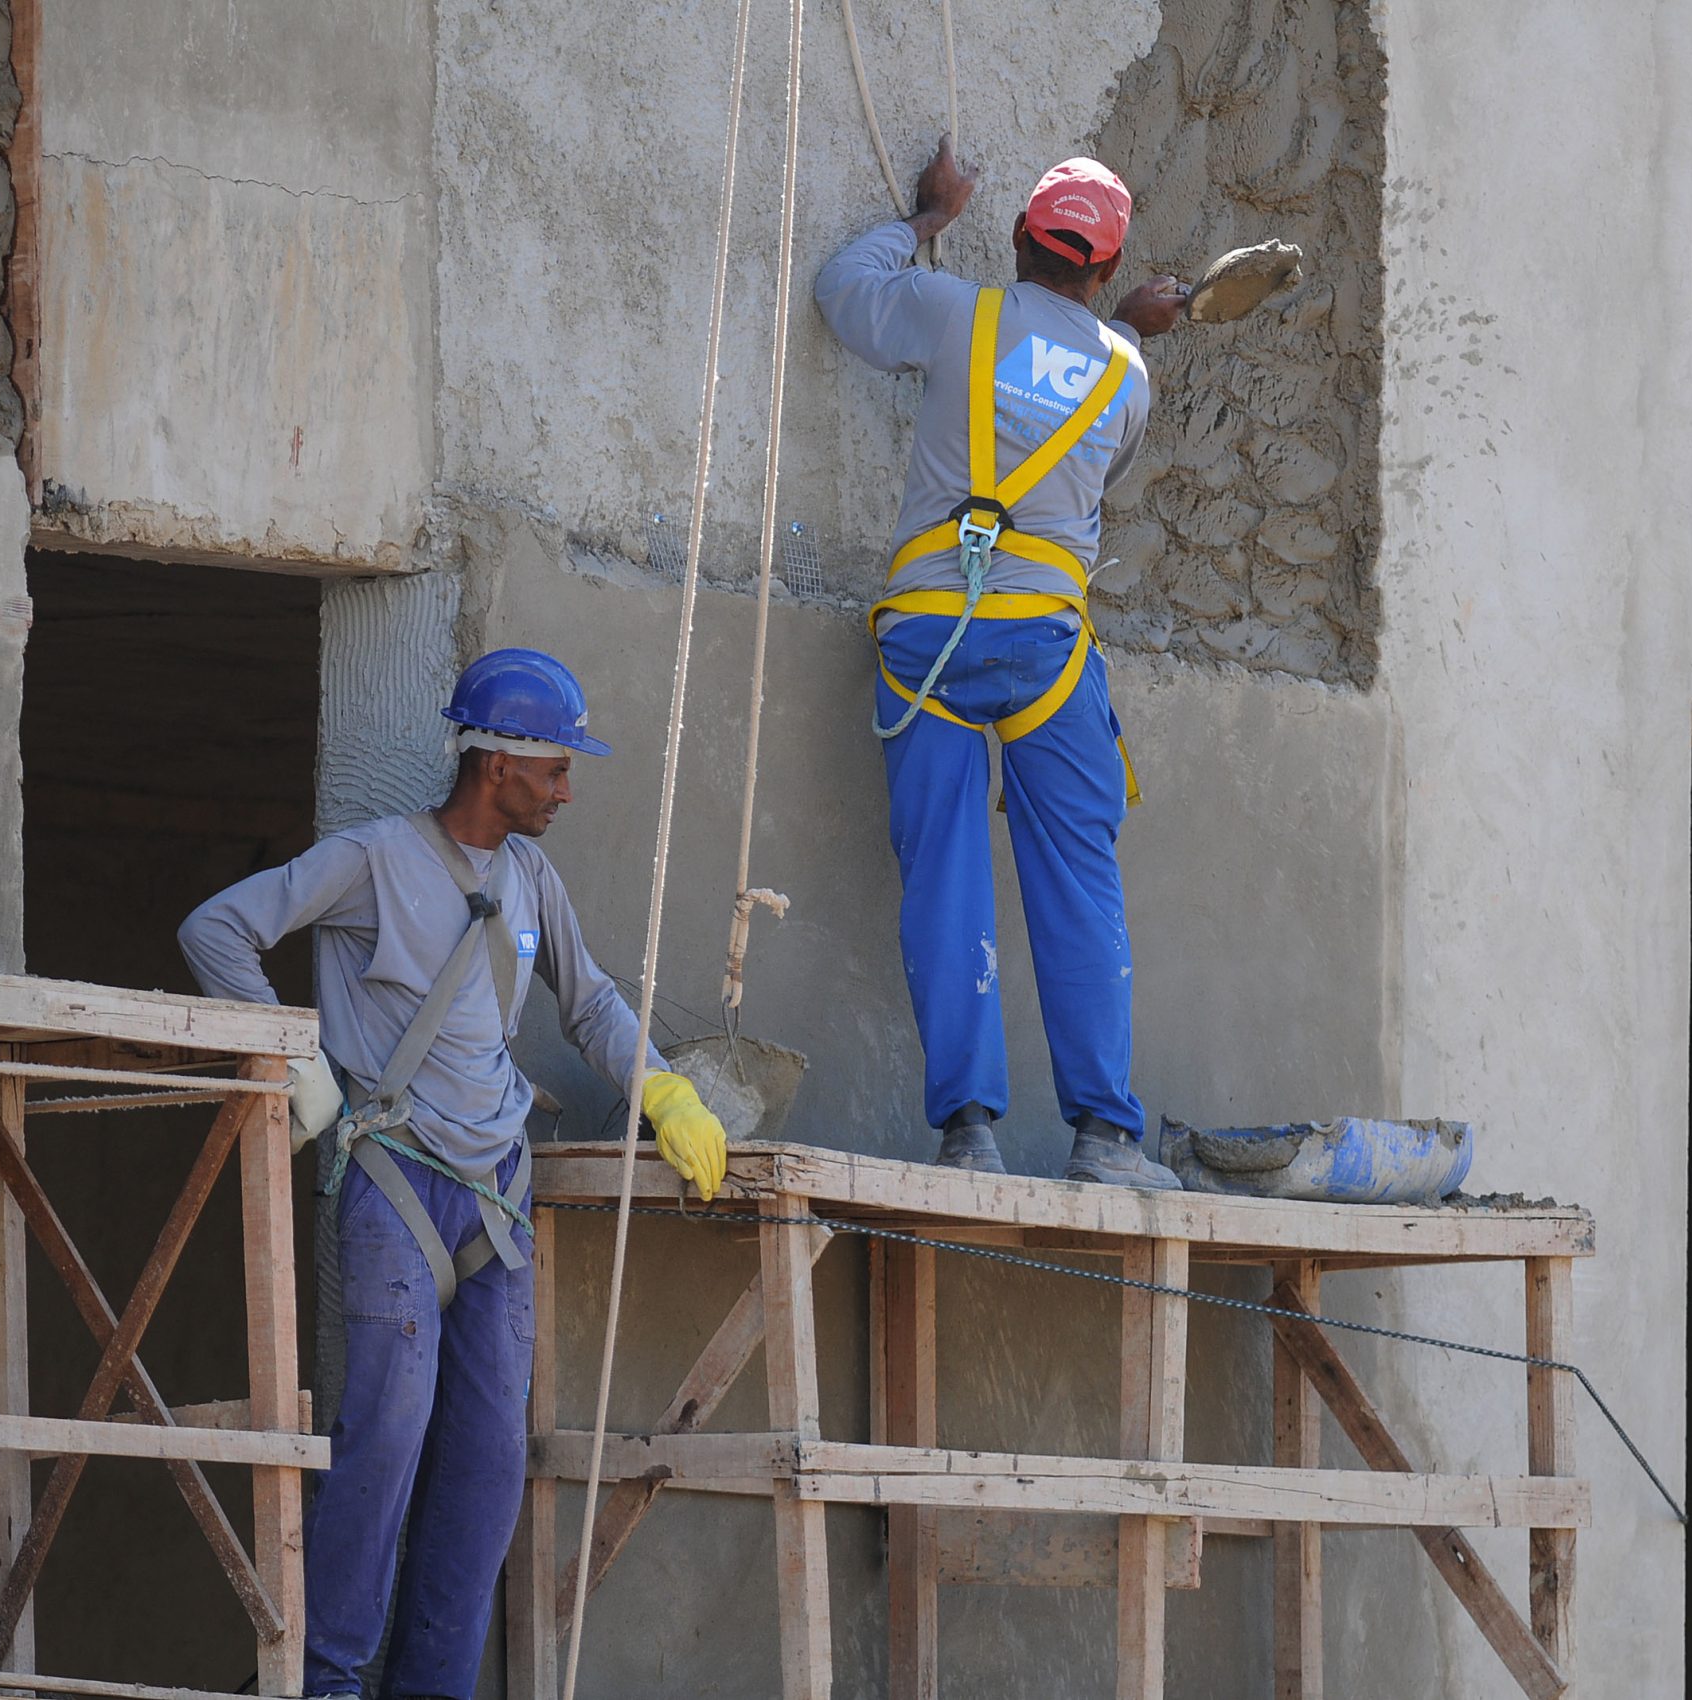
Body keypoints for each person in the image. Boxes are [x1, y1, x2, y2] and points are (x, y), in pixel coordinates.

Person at [176, 647, 729, 1700]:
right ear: (495, 764)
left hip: (498, 1196)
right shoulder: (374, 859)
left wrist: (665, 1089)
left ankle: (429, 1685)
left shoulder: (531, 876)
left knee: (483, 1465)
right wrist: (295, 1061)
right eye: (554, 768)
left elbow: (592, 1000)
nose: (567, 789)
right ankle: (327, 1679)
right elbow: (219, 930)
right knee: (384, 1436)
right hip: (396, 1181)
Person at [814, 141, 1189, 1189]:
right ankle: (1105, 1139)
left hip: (925, 630)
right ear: (1106, 273)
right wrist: (1125, 330)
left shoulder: (953, 312)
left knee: (943, 871)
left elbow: (842, 293)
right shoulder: (1130, 376)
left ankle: (967, 1130)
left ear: (1020, 238)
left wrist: (926, 219)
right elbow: (1081, 413)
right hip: (1045, 648)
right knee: (1075, 877)